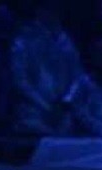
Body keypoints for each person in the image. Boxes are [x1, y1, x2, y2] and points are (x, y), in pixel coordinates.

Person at [9, 3, 84, 135]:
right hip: (32, 113)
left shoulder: (67, 42)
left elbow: (76, 77)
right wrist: (45, 106)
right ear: (39, 11)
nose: (53, 14)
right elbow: (19, 80)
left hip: (63, 115)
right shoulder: (23, 41)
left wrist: (65, 103)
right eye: (48, 9)